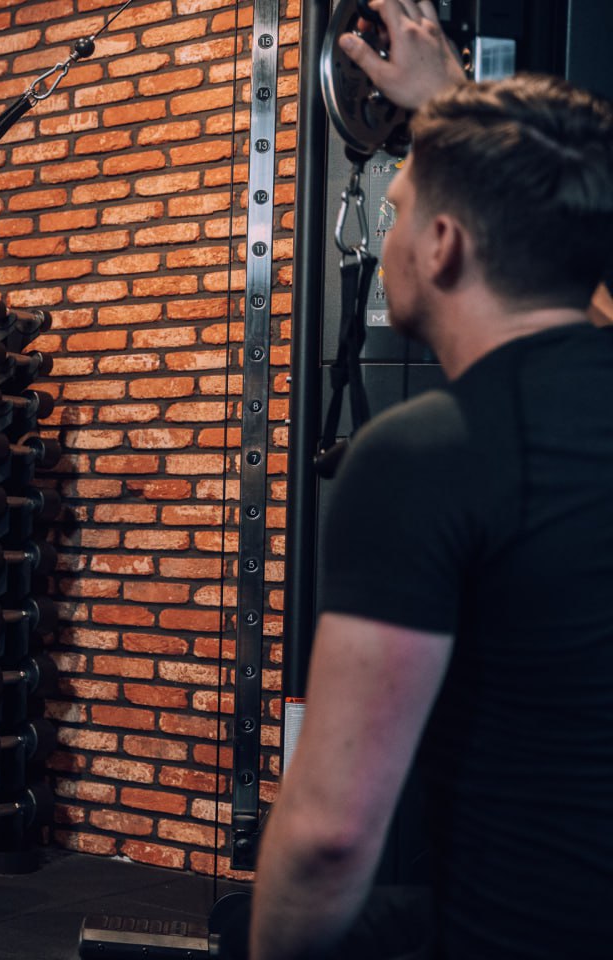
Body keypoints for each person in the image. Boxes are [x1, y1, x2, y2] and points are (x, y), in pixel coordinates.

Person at [250, 1, 613, 958]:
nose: (391, 221)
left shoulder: (423, 455)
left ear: (444, 246)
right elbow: (577, 280)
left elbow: (328, 838)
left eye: (401, 206)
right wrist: (456, 110)